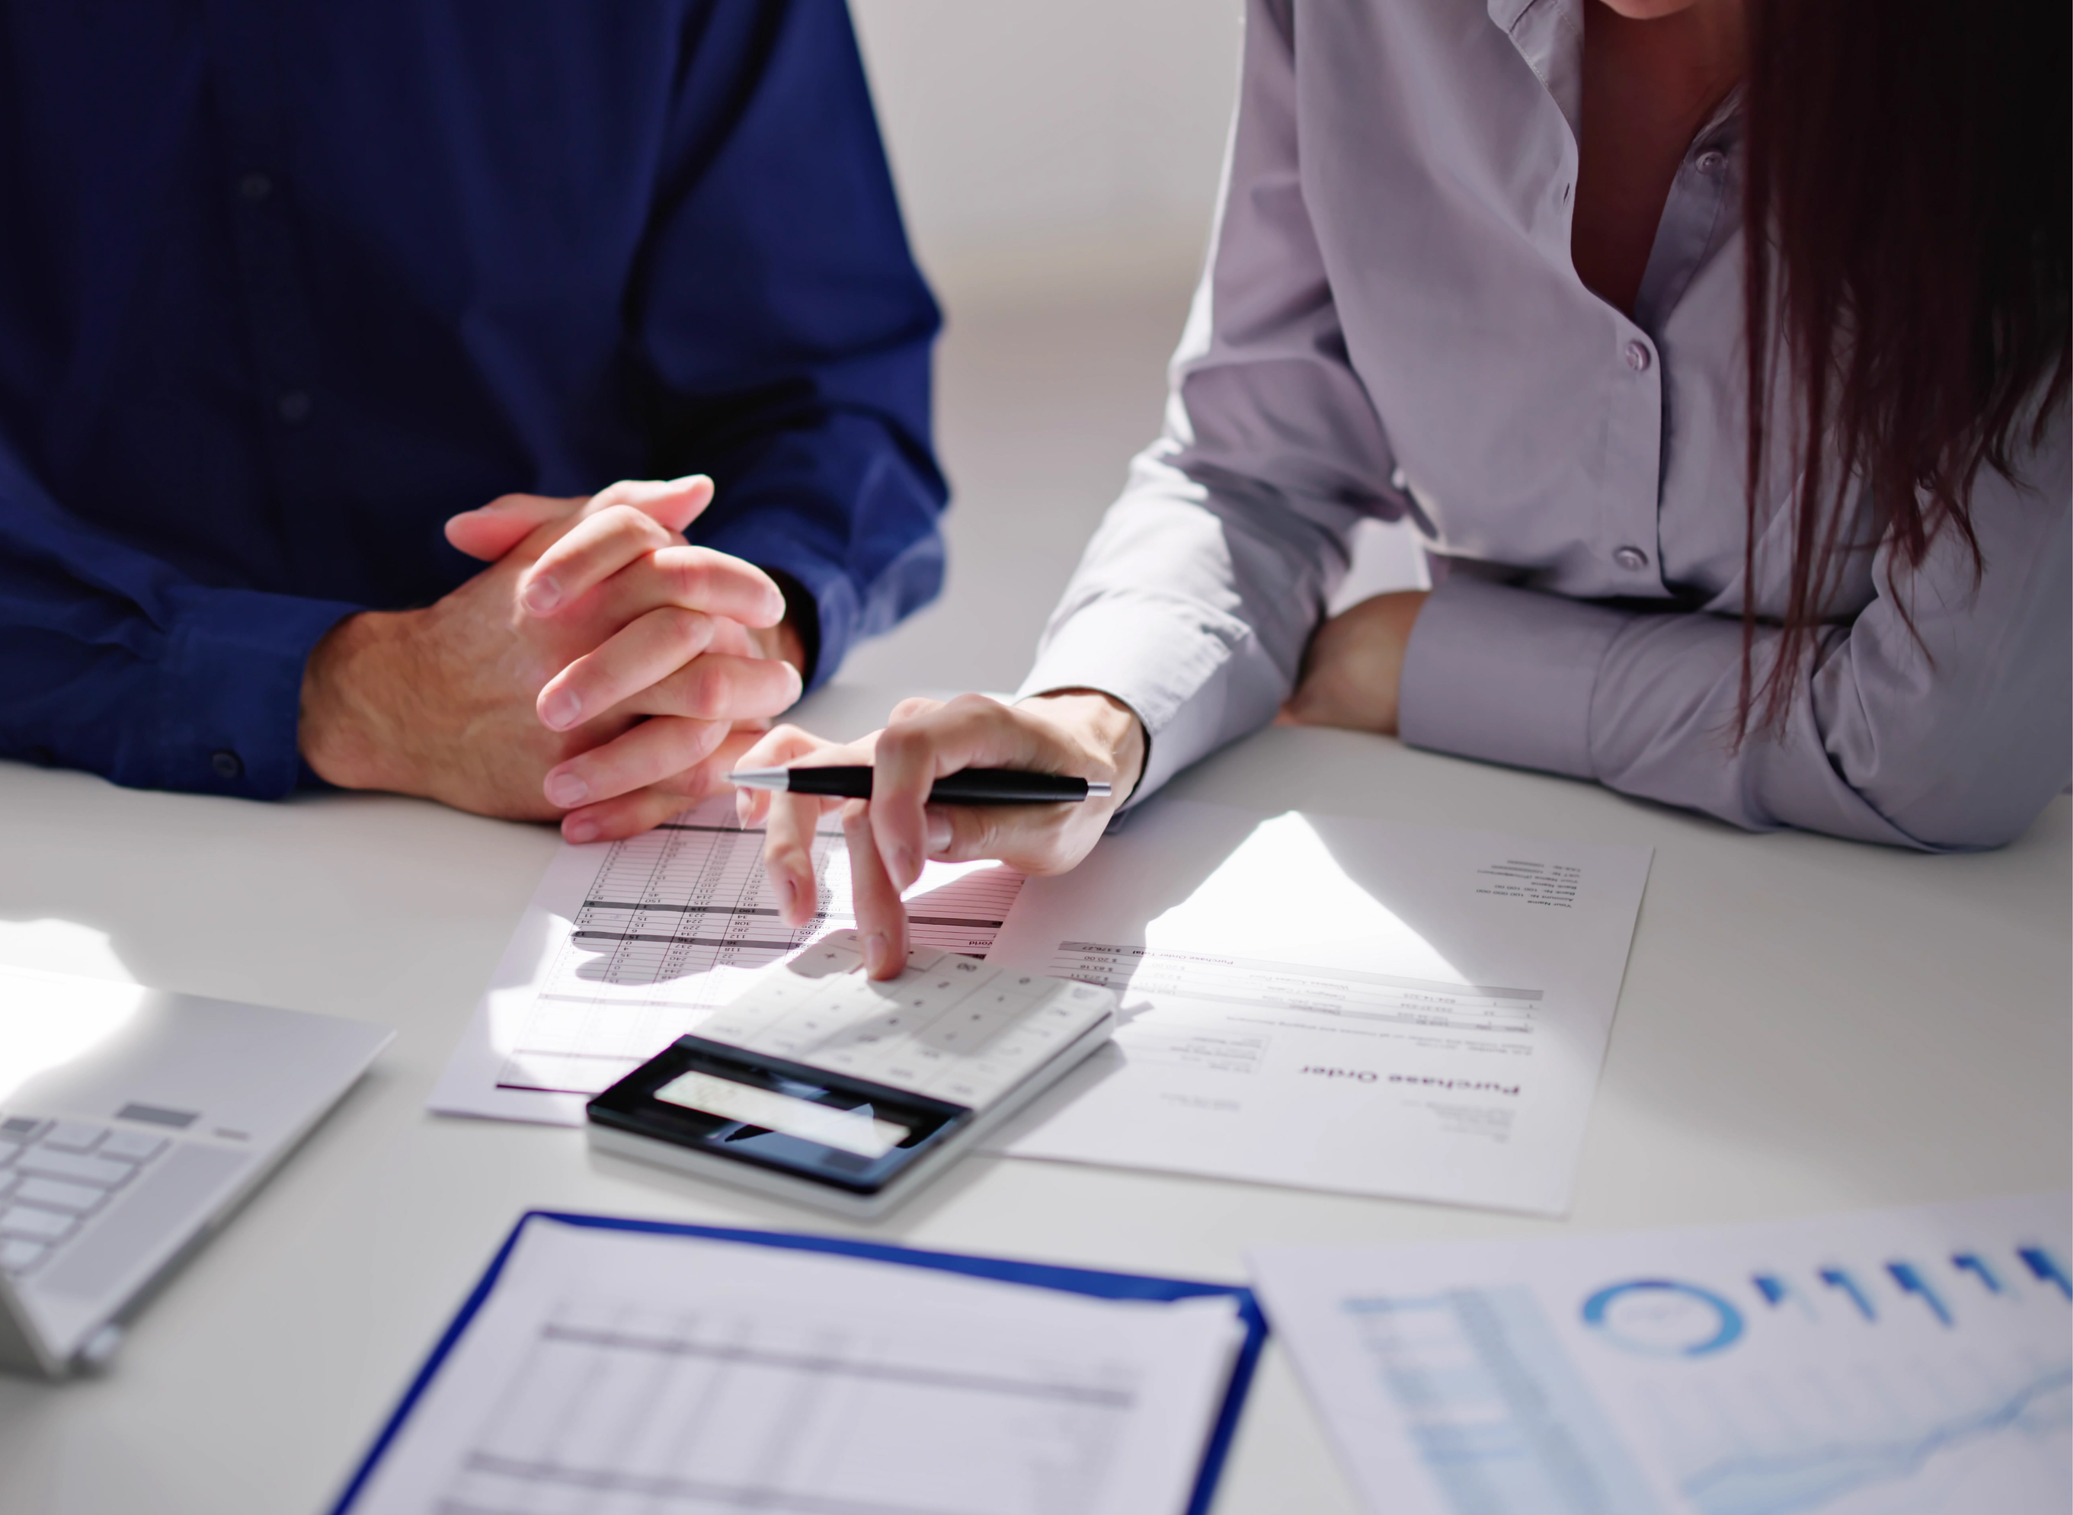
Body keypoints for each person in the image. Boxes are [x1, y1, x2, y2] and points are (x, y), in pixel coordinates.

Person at [749, 0, 2070, 979]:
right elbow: (1251, 465)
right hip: (1518, 902)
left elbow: (1949, 748)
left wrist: (1439, 660)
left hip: (1947, 960)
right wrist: (1092, 721)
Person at [0, 0, 944, 843]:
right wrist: (358, 689)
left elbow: (833, 393)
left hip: (579, 790)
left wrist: (716, 628)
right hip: (43, 774)